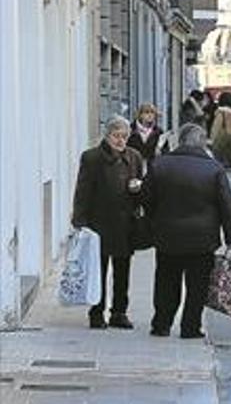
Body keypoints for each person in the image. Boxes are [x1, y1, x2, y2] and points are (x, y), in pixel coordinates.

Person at [144, 123, 231, 339]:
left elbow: (147, 199)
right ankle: (190, 327)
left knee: (166, 281)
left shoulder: (160, 164)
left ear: (180, 141)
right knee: (197, 285)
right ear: (202, 143)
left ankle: (161, 324)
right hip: (202, 239)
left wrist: (155, 222)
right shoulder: (214, 168)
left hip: (167, 236)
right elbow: (227, 206)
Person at [71, 115, 144, 330]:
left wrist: (138, 189)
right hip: (99, 223)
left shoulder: (134, 157)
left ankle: (119, 312)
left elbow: (141, 188)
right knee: (98, 271)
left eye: (124, 136)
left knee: (123, 271)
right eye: (116, 136)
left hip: (125, 224)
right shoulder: (92, 158)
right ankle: (96, 312)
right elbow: (82, 191)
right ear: (107, 135)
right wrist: (79, 219)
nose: (120, 141)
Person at [210, 91, 231, 168]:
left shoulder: (221, 112)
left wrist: (211, 141)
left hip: (221, 144)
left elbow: (216, 128)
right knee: (230, 166)